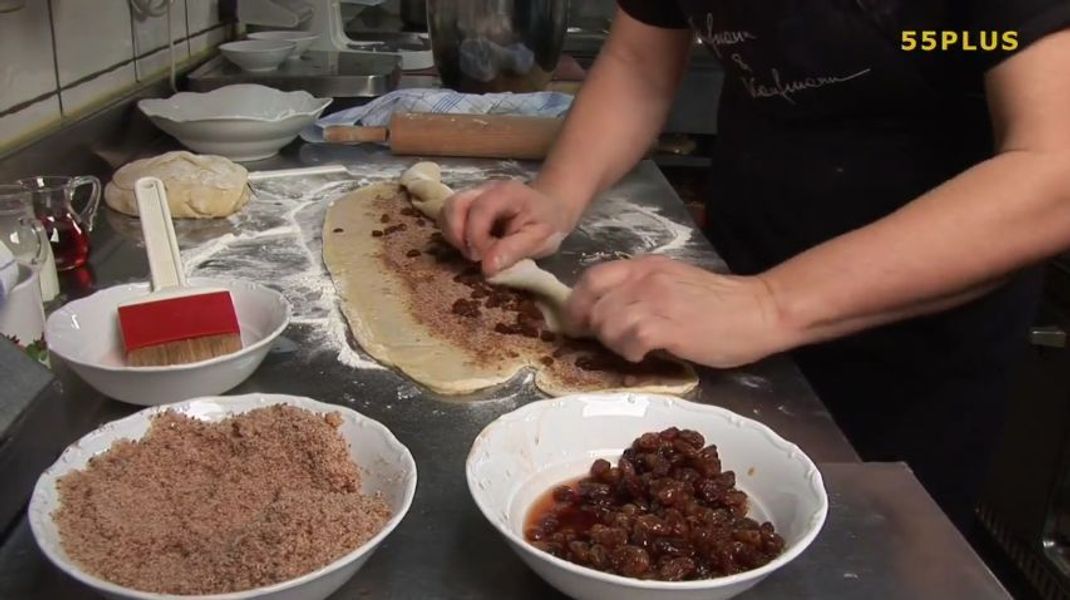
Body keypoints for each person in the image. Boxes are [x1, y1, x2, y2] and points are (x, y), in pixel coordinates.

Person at [438, 2, 1070, 531]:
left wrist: (772, 303)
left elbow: (1054, 170)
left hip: (912, 339)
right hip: (726, 297)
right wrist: (557, 194)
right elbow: (638, 63)